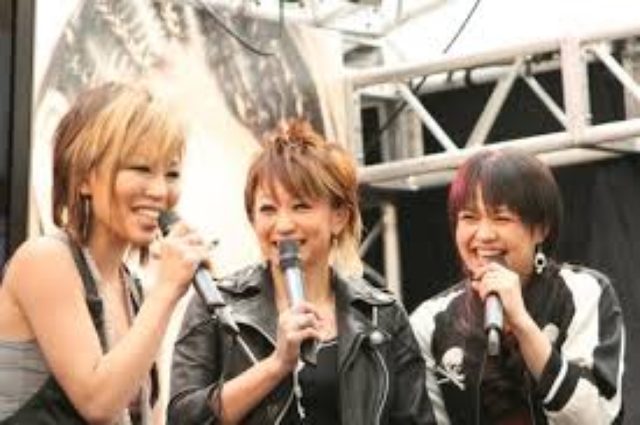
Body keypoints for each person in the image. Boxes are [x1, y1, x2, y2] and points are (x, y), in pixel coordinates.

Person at [168, 119, 435, 424]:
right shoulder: (217, 307)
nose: (283, 225)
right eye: (268, 209)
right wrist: (276, 365)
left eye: (301, 206)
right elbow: (182, 418)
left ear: (338, 217)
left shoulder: (381, 315)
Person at [0, 82, 208, 424]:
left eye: (171, 174)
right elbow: (97, 402)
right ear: (84, 177)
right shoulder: (45, 261)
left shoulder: (132, 289)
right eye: (141, 169)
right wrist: (167, 290)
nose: (160, 190)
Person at [410, 148, 625, 424]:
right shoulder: (429, 321)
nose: (484, 235)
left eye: (501, 218)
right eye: (469, 218)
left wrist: (522, 323)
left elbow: (594, 418)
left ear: (541, 229)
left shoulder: (584, 292)